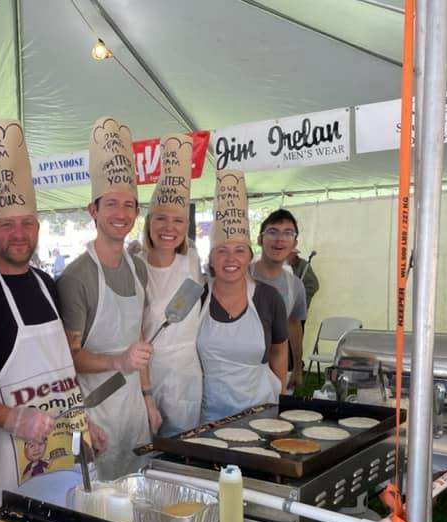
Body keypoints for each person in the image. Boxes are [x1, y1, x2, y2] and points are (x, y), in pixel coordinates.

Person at [0, 118, 105, 504]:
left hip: (66, 450)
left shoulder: (47, 285)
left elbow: (62, 375)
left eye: (27, 223)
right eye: (7, 225)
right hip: (9, 460)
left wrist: (83, 424)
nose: (19, 233)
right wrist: (13, 419)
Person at [58, 116, 160, 482]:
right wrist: (119, 359)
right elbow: (68, 359)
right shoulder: (77, 277)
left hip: (133, 408)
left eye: (129, 205)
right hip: (96, 410)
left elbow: (141, 343)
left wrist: (148, 396)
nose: (121, 214)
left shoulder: (139, 269)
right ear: (93, 210)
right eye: (112, 204)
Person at [198, 172, 288, 422]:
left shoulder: (269, 298)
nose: (230, 259)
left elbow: (280, 352)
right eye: (222, 251)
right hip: (208, 415)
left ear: (249, 256)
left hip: (261, 411)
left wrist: (280, 396)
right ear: (212, 259)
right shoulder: (198, 295)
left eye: (239, 251)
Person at [137, 134, 203, 436]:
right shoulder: (134, 264)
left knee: (181, 451)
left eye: (178, 221)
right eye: (161, 219)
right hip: (143, 376)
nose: (169, 228)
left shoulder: (192, 260)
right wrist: (146, 392)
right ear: (149, 222)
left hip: (185, 374)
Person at [251, 209, 307, 391]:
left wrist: (297, 367)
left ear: (294, 243)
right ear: (260, 240)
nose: (280, 239)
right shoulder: (242, 275)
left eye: (288, 233)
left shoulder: (296, 286)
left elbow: (294, 326)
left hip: (276, 369)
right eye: (272, 232)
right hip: (239, 370)